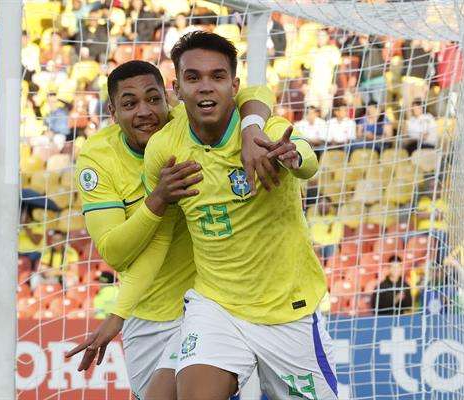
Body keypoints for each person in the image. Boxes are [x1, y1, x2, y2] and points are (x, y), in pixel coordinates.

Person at [73, 32, 334, 400]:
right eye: (193, 78)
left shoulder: (261, 129)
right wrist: (119, 313)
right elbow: (147, 241)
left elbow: (302, 154)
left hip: (285, 308)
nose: (145, 111)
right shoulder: (160, 151)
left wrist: (284, 149)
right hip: (213, 306)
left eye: (217, 77)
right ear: (179, 88)